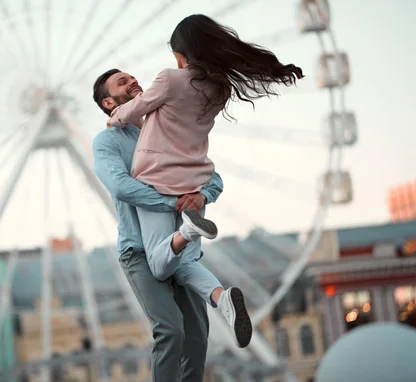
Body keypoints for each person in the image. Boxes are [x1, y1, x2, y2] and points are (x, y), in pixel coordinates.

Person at [105, 13, 304, 345]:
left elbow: (132, 110)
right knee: (181, 261)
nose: (177, 62)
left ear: (185, 51)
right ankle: (220, 298)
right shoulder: (219, 89)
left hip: (154, 177)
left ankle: (188, 230)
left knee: (157, 263)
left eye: (177, 55)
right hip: (194, 182)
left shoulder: (170, 79)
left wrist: (114, 118)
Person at [92, 71, 225, 381]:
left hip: (182, 250)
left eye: (131, 76)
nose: (133, 81)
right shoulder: (107, 141)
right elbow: (121, 186)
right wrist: (173, 203)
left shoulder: (166, 130)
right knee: (169, 329)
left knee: (197, 338)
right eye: (122, 82)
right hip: (139, 249)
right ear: (109, 102)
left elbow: (210, 174)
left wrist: (201, 194)